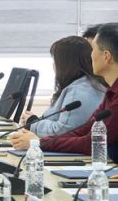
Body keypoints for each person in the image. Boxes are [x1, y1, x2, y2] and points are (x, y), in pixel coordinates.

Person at [11, 23, 118, 160]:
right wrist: (39, 141)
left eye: (93, 50)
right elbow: (82, 130)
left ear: (106, 56)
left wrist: (39, 143)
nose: (90, 56)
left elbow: (91, 142)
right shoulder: (111, 91)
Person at [20, 36, 106, 137]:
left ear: (65, 64)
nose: (53, 65)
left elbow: (63, 132)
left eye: (56, 61)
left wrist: (33, 123)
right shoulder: (89, 84)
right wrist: (34, 121)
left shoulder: (78, 92)